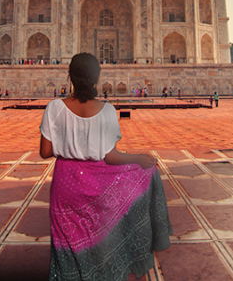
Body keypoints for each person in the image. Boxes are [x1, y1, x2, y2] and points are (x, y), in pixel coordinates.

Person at [39, 53, 171, 279]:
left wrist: (68, 145)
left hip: (65, 185)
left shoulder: (54, 108)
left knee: (66, 243)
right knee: (97, 238)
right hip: (96, 183)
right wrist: (138, 159)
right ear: (97, 78)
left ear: (69, 75)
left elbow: (45, 152)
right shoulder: (108, 110)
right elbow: (111, 157)